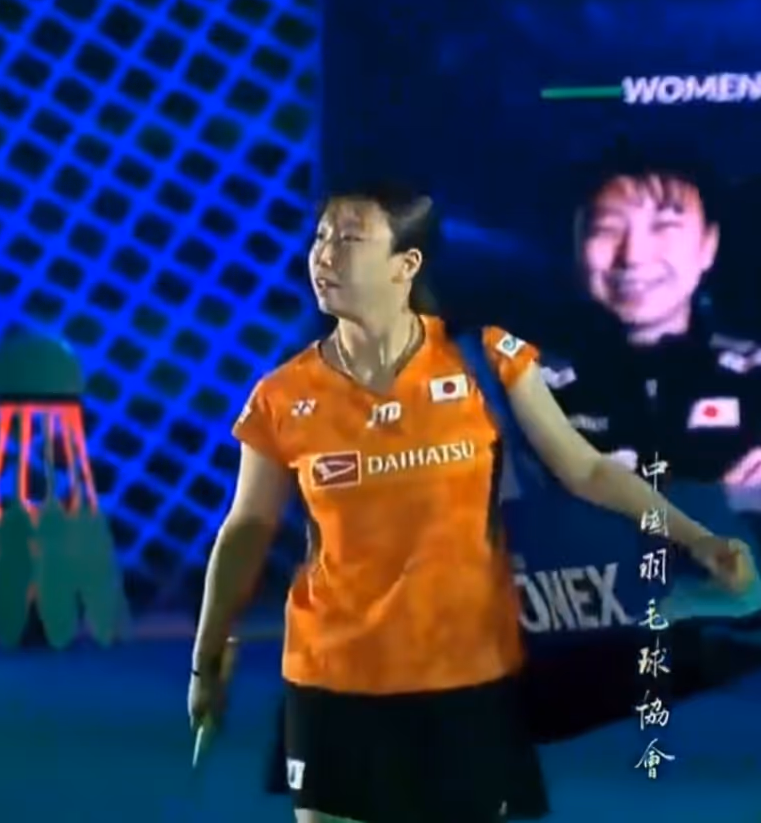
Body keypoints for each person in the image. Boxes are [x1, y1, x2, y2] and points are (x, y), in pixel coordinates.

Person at [187, 186, 755, 823]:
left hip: (468, 682)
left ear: (406, 265)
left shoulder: (488, 360)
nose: (324, 255)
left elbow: (588, 469)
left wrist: (697, 537)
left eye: (349, 240)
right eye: (320, 238)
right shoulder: (282, 396)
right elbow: (248, 527)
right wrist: (207, 659)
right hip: (331, 679)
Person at [547, 163, 761, 494]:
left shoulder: (753, 375)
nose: (633, 256)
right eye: (607, 228)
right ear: (577, 244)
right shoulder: (524, 386)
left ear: (708, 243)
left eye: (664, 226)